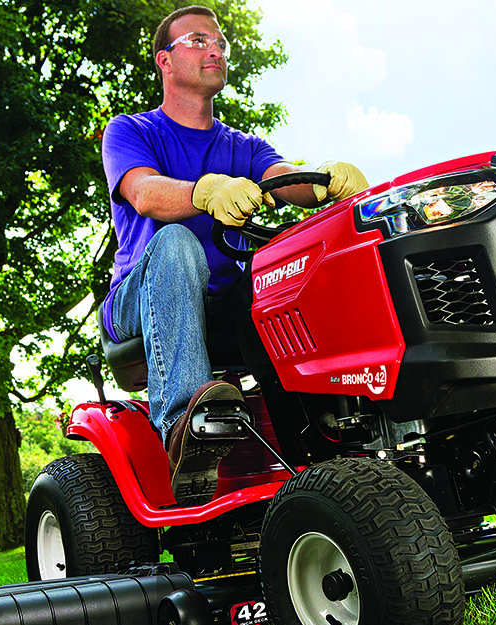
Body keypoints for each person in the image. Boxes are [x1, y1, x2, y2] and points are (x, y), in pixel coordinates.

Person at [100, 6, 369, 506]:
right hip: (138, 300)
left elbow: (283, 178)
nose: (216, 49)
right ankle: (186, 426)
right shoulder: (130, 130)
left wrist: (325, 178)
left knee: (286, 275)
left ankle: (325, 447)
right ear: (165, 60)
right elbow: (144, 193)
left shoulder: (242, 146)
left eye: (220, 42)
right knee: (178, 242)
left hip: (223, 303)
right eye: (199, 40)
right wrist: (203, 191)